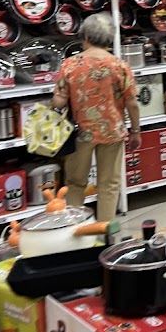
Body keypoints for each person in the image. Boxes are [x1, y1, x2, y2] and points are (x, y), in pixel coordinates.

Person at [51, 13, 140, 221]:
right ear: (109, 38)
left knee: (75, 183)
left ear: (86, 36)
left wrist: (56, 102)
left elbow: (59, 101)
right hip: (112, 131)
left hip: (79, 133)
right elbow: (132, 103)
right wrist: (136, 130)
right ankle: (105, 232)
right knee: (109, 185)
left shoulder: (70, 65)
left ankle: (73, 229)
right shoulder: (120, 66)